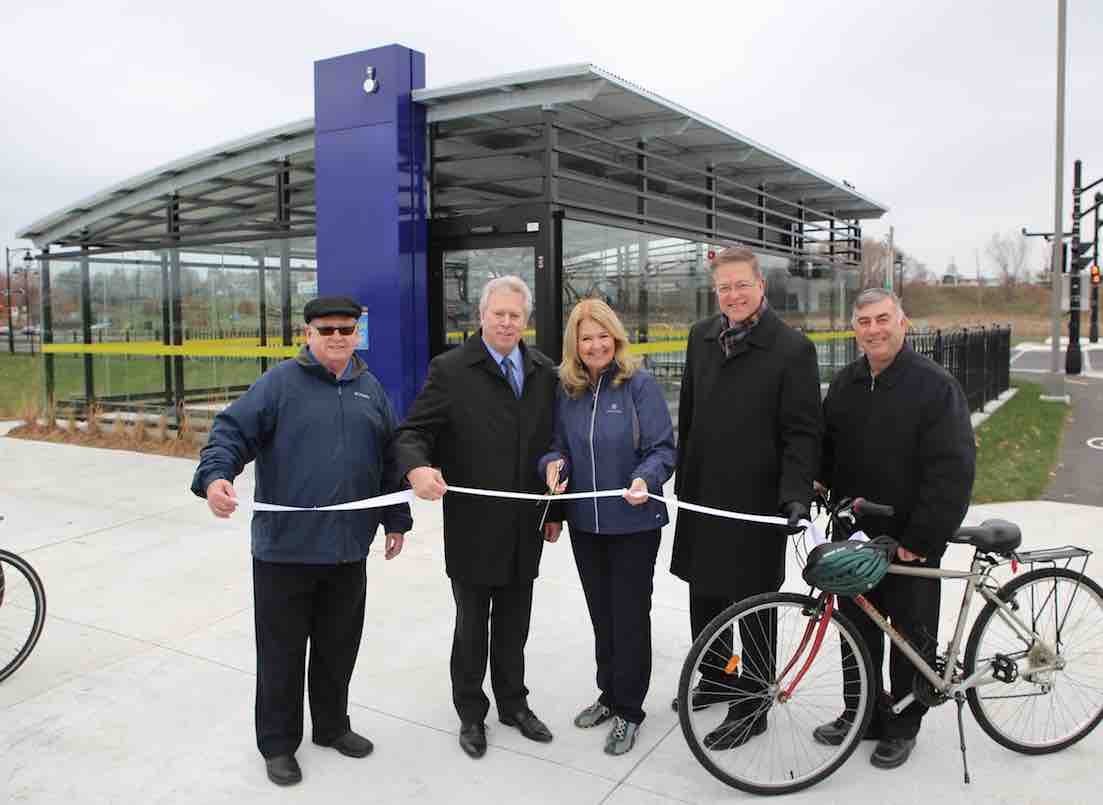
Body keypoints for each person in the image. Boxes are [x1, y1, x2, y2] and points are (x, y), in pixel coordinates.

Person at [190, 295, 411, 787]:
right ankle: (277, 745)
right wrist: (215, 477)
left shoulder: (369, 389)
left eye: (345, 329)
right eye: (325, 329)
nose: (336, 337)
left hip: (346, 551)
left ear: (358, 333)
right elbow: (229, 432)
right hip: (284, 552)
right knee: (282, 655)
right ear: (307, 333)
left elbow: (390, 462)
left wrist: (395, 518)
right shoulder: (278, 385)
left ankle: (332, 727)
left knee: (338, 649)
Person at [394, 276, 562, 760]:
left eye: (516, 315)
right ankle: (471, 713)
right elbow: (413, 432)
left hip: (525, 523)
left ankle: (513, 704)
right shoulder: (450, 370)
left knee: (516, 623)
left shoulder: (543, 372)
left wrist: (556, 511)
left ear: (525, 322)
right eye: (498, 314)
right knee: (473, 626)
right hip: (472, 525)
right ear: (481, 317)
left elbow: (555, 446)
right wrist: (416, 467)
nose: (507, 322)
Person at [813, 287, 975, 769]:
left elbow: (952, 469)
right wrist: (816, 483)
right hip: (858, 536)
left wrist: (921, 541)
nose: (874, 330)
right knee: (857, 629)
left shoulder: (935, 387)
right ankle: (860, 713)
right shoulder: (845, 384)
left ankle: (903, 725)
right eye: (864, 322)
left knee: (908, 636)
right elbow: (828, 449)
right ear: (855, 329)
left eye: (883, 319)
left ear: (903, 323)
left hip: (909, 541)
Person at [670, 246, 823, 750]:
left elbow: (802, 433)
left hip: (757, 501)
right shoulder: (700, 338)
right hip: (705, 493)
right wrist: (682, 477)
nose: (732, 295)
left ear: (761, 286)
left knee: (753, 602)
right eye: (723, 288)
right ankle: (715, 675)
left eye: (741, 285)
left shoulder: (791, 349)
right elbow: (688, 415)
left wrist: (795, 494)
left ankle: (754, 699)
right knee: (706, 592)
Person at [537, 299, 675, 756]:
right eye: (586, 337)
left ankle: (630, 711)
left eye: (602, 336)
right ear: (574, 344)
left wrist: (646, 478)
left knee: (630, 617)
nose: (595, 345)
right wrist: (552, 465)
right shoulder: (568, 391)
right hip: (586, 524)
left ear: (615, 338)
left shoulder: (638, 385)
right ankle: (609, 694)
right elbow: (555, 446)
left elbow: (662, 449)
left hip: (634, 523)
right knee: (603, 616)